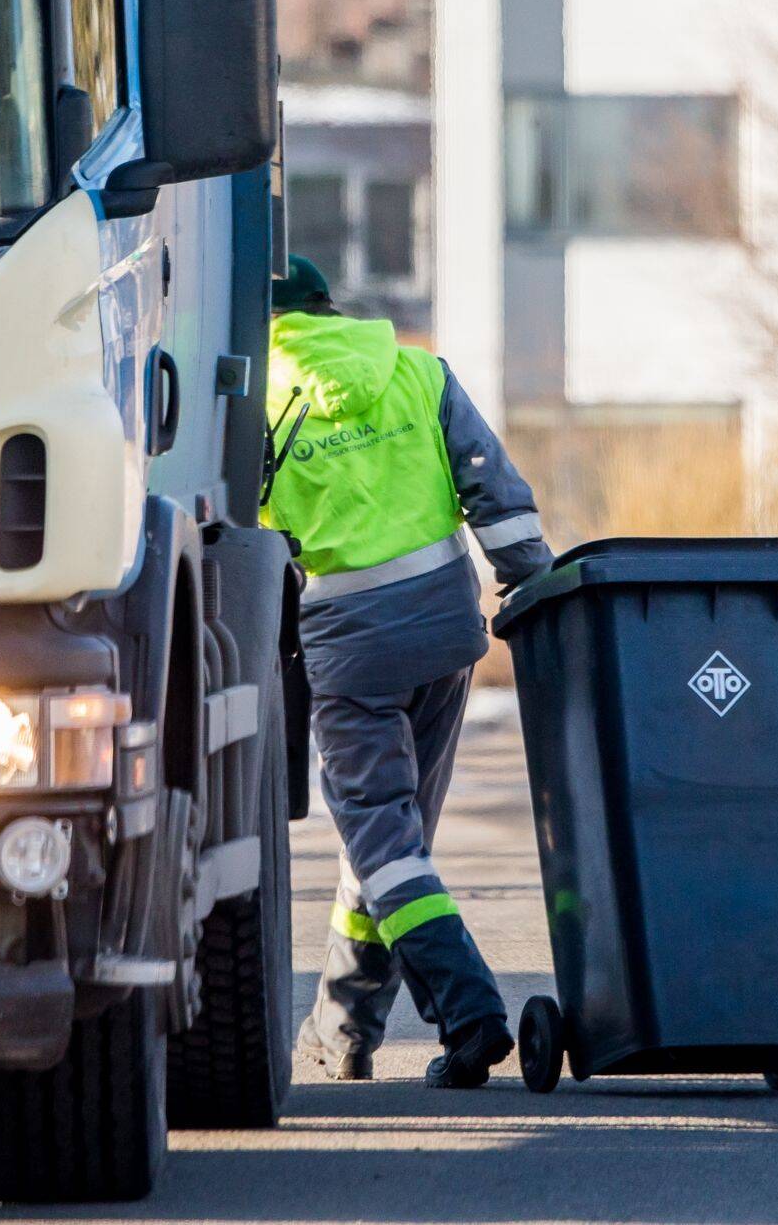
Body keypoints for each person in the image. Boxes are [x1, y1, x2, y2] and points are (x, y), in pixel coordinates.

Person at [262, 256, 554, 1089]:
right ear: (330, 309)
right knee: (392, 846)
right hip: (444, 634)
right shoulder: (417, 370)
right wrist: (532, 582)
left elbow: (250, 538)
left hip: (351, 648)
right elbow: (492, 489)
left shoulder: (255, 398)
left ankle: (471, 1013)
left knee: (386, 846)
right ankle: (343, 1029)